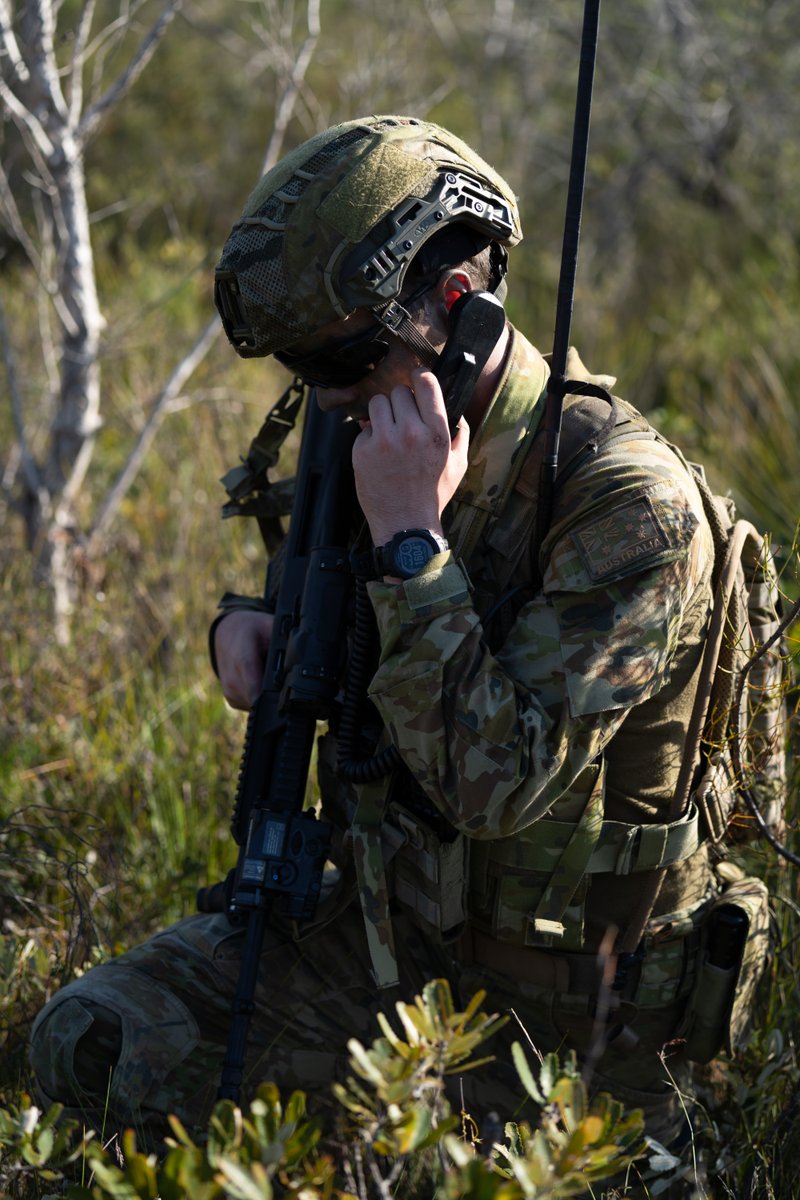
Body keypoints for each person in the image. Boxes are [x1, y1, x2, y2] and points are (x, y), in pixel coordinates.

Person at [30, 114, 753, 1165]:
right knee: (91, 1043)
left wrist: (411, 544)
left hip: (574, 1035)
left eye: (346, 358)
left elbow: (494, 788)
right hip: (389, 950)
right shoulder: (370, 426)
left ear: (457, 310)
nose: (325, 398)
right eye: (299, 366)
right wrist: (254, 630)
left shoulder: (624, 509)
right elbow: (349, 647)